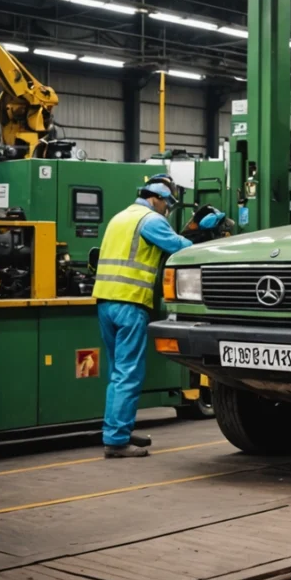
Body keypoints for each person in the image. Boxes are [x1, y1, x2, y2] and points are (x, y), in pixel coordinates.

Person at [92, 175, 192, 458]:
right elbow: (182, 248)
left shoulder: (119, 217)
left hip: (105, 302)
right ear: (155, 198)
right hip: (130, 303)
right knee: (129, 374)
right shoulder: (150, 220)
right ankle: (116, 442)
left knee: (117, 373)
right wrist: (202, 238)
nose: (167, 209)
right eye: (166, 203)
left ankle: (118, 430)